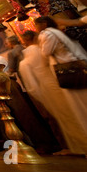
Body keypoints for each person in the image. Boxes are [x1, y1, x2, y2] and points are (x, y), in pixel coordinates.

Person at [20, 27, 87, 156]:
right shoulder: (43, 51)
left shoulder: (27, 61)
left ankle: (82, 145)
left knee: (66, 118)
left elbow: (33, 87)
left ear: (25, 42)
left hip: (49, 89)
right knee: (77, 112)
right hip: (60, 83)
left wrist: (41, 99)